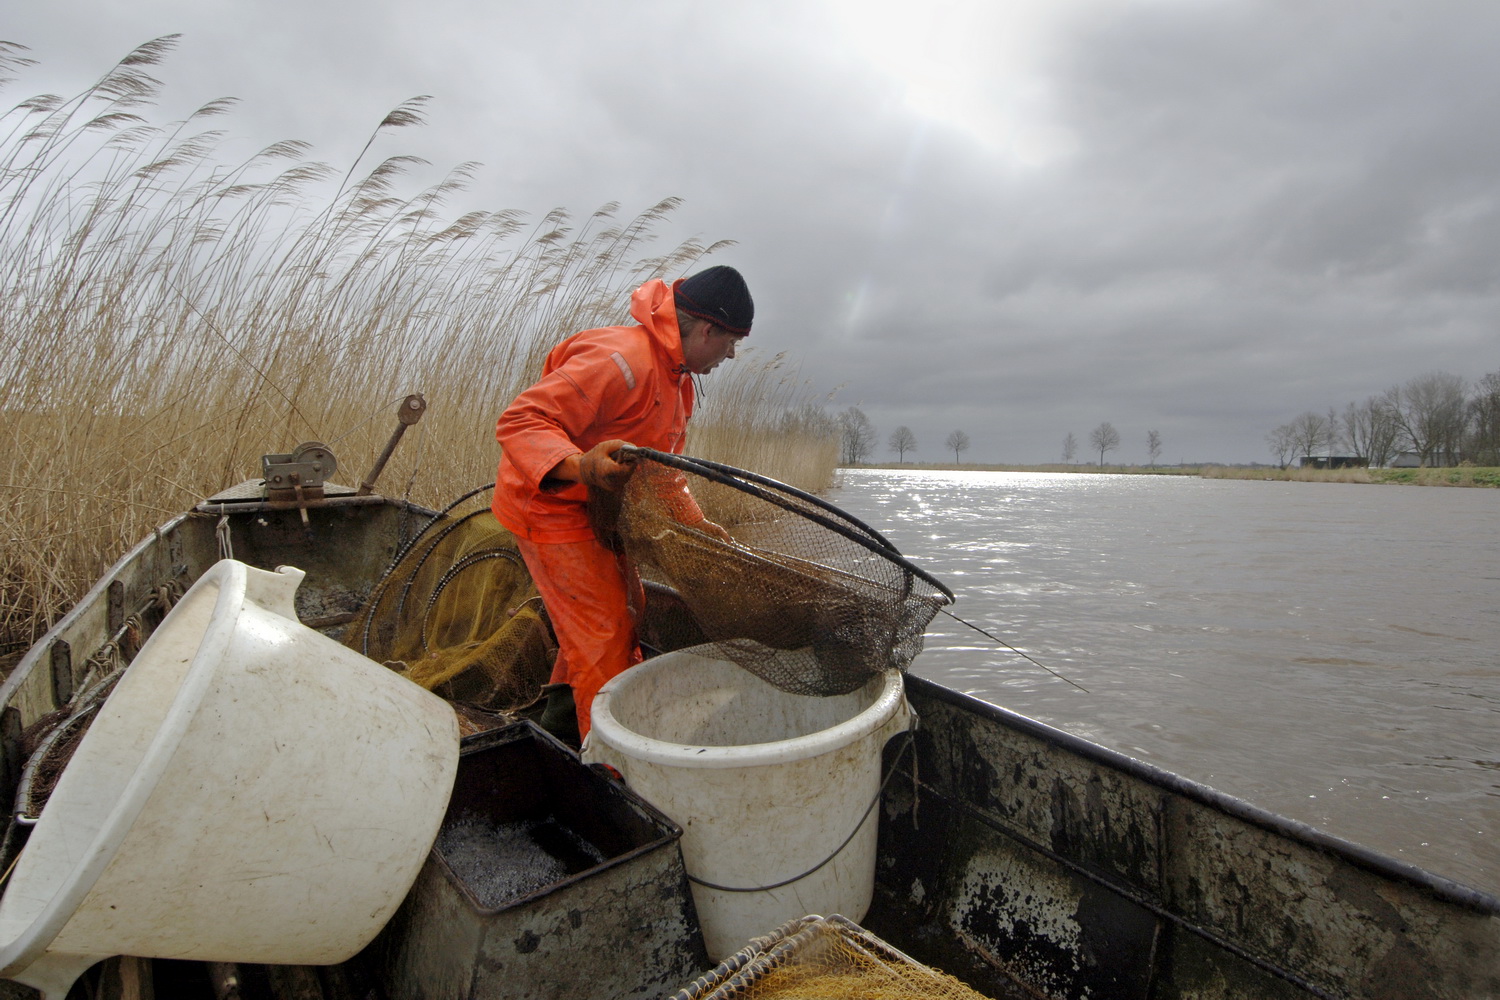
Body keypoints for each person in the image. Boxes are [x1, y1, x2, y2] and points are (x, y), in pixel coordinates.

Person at [492, 265, 752, 744]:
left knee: (630, 609)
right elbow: (521, 422)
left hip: (602, 514)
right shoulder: (620, 360)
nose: (732, 354)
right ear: (708, 329)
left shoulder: (678, 383)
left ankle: (560, 721)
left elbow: (663, 475)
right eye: (731, 340)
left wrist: (699, 527)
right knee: (606, 639)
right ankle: (606, 764)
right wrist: (579, 465)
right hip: (548, 507)